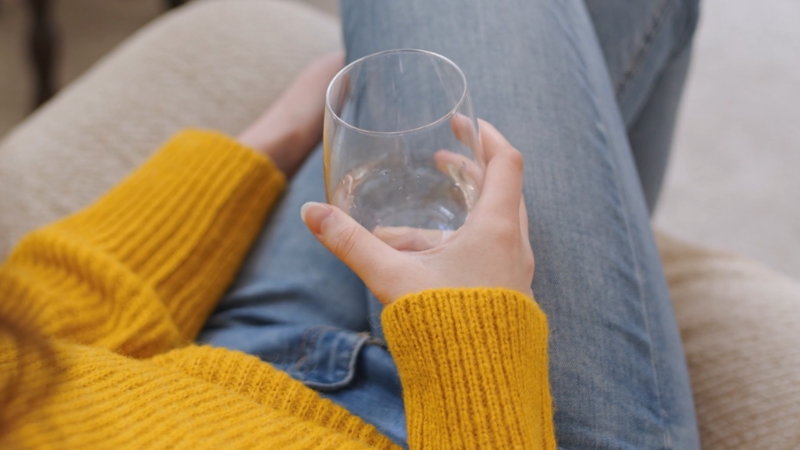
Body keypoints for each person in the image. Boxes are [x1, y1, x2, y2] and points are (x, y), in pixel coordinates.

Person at [0, 0, 701, 448]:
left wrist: (265, 146)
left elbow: (37, 339)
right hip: (486, 411)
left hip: (241, 358)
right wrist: (476, 330)